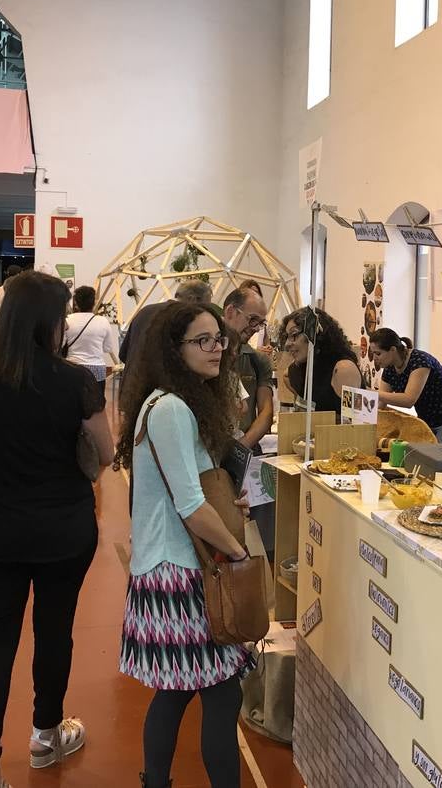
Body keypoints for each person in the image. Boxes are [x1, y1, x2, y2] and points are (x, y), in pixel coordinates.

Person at [0, 271, 113, 788]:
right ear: (51, 323)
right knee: (54, 633)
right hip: (63, 529)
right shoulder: (76, 381)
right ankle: (45, 735)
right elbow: (105, 452)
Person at [115, 301, 253, 788]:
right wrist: (238, 555)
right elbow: (191, 506)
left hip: (168, 563)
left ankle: (155, 781)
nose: (217, 348)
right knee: (219, 694)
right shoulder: (171, 408)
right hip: (181, 568)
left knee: (176, 692)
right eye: (202, 340)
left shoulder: (168, 402)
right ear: (174, 350)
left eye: (219, 338)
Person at [221, 286, 276, 551]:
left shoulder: (257, 361)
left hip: (245, 454)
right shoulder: (210, 356)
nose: (255, 328)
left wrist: (240, 446)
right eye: (252, 320)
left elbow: (266, 412)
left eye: (260, 322)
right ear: (230, 312)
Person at [371, 328, 442, 442]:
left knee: (438, 457)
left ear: (393, 349)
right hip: (428, 419)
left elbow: (409, 399)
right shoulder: (389, 368)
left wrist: (374, 394)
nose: (374, 358)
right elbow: (381, 403)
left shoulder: (420, 360)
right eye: (372, 353)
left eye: (378, 353)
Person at [280, 307, 364, 415]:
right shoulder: (297, 370)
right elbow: (286, 376)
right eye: (287, 336)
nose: (287, 344)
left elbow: (358, 422)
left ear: (315, 334)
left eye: (294, 335)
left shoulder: (343, 370)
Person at [65, 285, 120, 391]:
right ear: (94, 302)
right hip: (96, 369)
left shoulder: (68, 320)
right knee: (96, 401)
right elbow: (107, 348)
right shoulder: (103, 321)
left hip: (72, 367)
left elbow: (61, 344)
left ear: (75, 303)